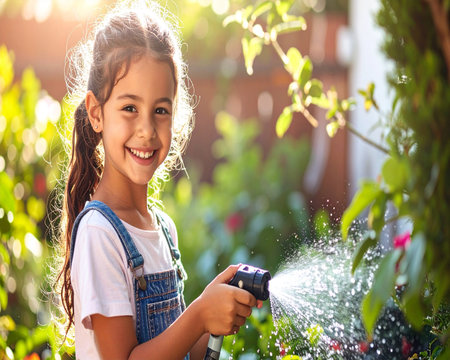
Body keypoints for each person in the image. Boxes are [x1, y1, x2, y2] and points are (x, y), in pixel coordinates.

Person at [55, 1, 261, 359]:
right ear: (96, 113)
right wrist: (198, 315)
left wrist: (213, 313)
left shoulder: (162, 228)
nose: (147, 129)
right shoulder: (100, 234)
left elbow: (179, 351)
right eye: (130, 108)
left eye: (160, 110)